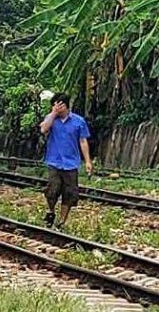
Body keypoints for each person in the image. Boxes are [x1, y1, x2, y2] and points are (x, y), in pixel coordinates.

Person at [39, 92, 92, 229]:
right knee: (52, 189)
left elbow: (83, 141)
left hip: (71, 163)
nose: (57, 107)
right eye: (54, 105)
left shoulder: (78, 121)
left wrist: (87, 161)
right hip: (54, 161)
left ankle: (62, 221)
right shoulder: (51, 119)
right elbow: (43, 129)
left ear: (66, 106)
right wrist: (53, 114)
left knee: (69, 193)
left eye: (59, 105)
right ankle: (50, 211)